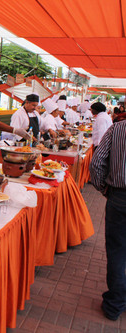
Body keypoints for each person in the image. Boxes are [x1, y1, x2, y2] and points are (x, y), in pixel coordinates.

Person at [90, 120, 126, 321]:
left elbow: (96, 163)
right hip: (118, 195)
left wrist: (104, 188)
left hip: (120, 197)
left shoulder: (118, 128)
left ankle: (115, 304)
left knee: (117, 251)